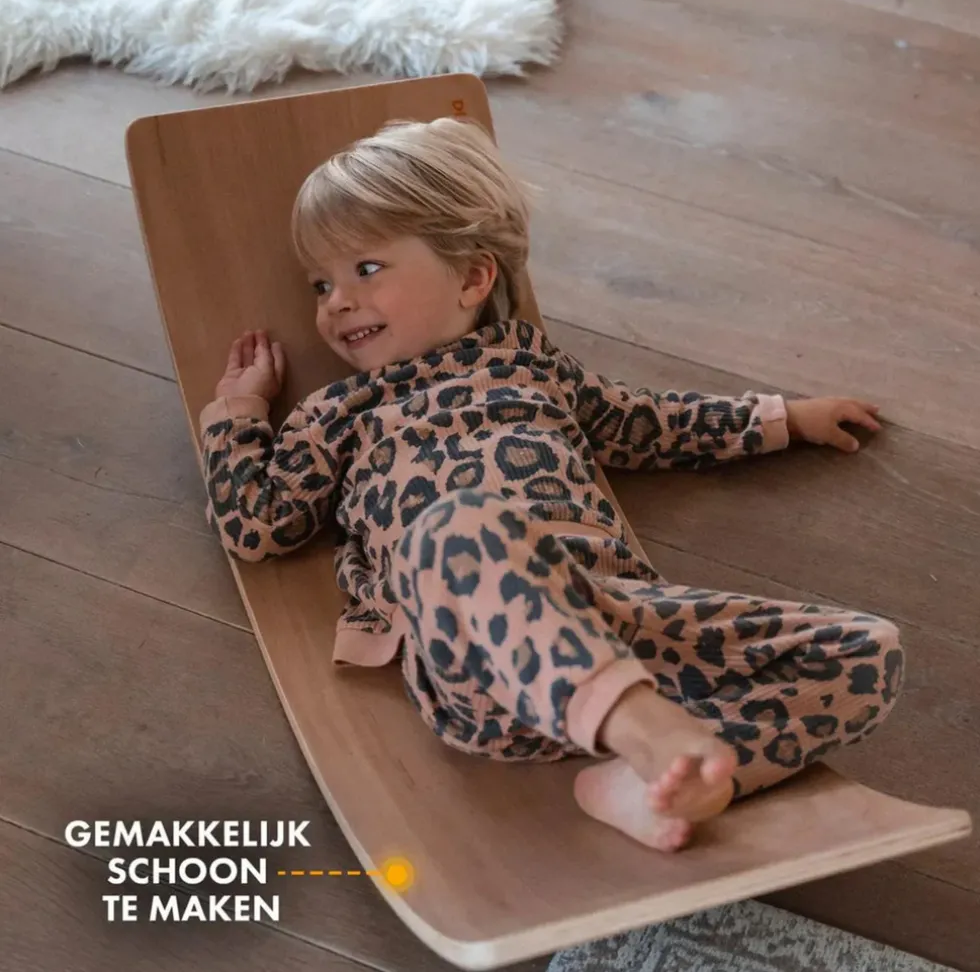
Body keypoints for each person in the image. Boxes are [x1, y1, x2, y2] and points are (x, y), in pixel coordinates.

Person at [198, 117, 904, 852]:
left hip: (610, 617)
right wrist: (240, 412)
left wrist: (783, 419)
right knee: (458, 525)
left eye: (366, 269)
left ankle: (653, 781)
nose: (335, 302)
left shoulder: (531, 365)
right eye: (321, 285)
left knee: (865, 650)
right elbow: (259, 525)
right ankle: (646, 730)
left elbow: (646, 424)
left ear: (472, 278)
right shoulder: (337, 412)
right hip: (473, 664)